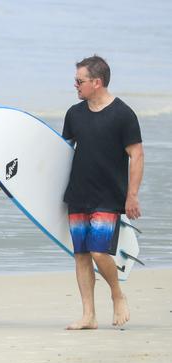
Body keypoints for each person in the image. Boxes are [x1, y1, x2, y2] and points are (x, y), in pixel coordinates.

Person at [62, 55, 143, 330]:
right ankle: (89, 315)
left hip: (109, 196)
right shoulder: (74, 114)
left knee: (98, 252)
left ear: (96, 82)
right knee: (82, 254)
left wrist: (132, 195)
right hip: (78, 194)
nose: (75, 85)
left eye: (79, 81)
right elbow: (60, 153)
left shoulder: (123, 114)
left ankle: (117, 295)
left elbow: (137, 155)